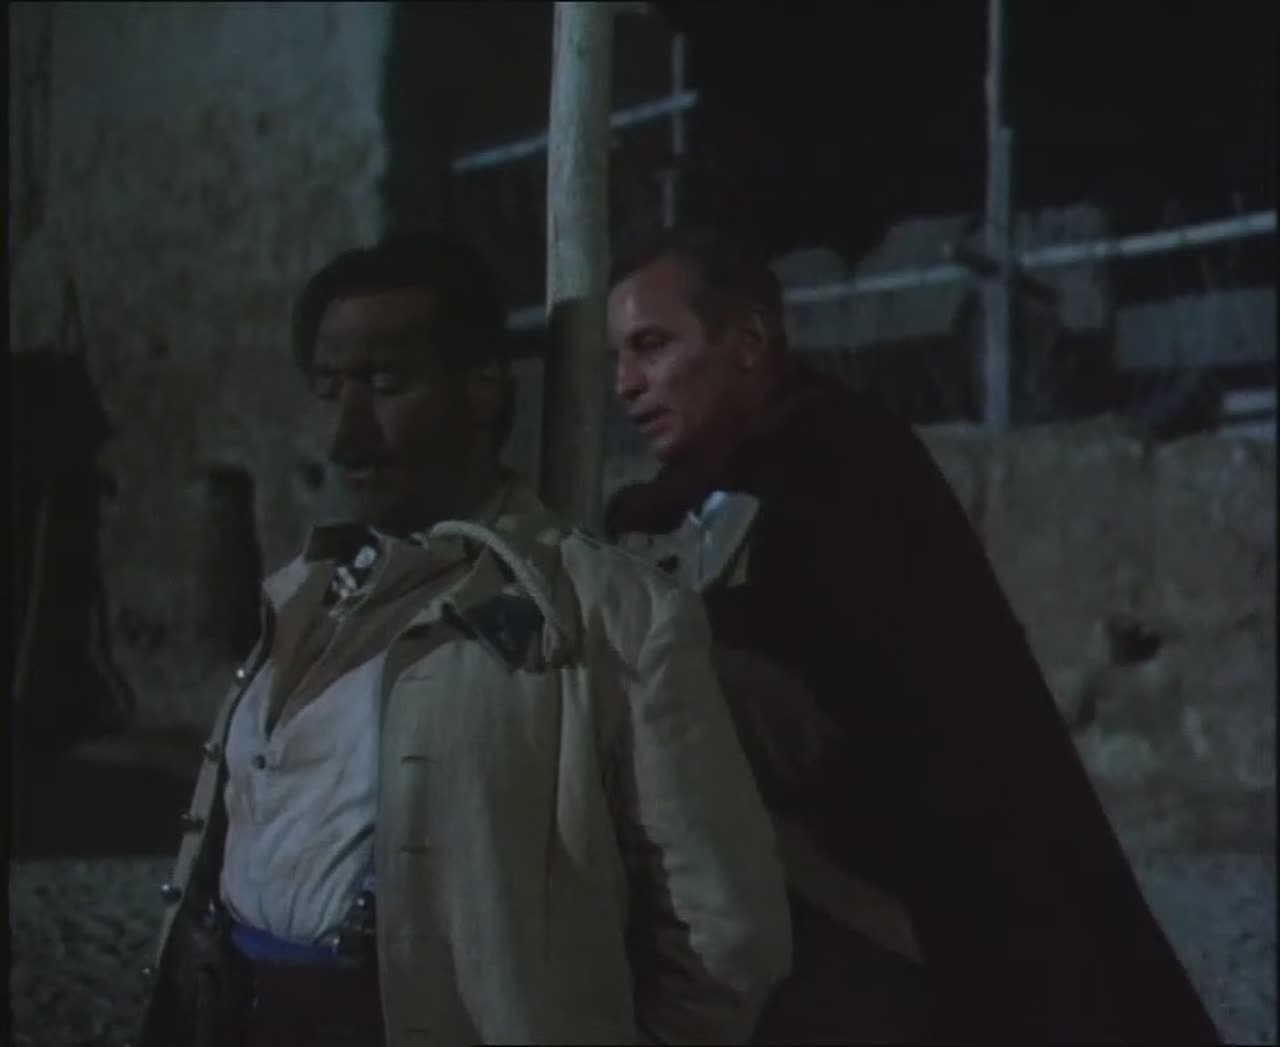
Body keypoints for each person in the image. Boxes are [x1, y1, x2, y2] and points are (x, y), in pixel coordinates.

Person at [135, 231, 791, 1047]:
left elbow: (725, 935)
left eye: (387, 383)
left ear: (481, 387)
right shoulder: (308, 598)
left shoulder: (609, 614)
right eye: (330, 389)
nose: (347, 433)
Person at [604, 224, 1221, 1044]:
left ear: (746, 342)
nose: (626, 383)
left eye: (652, 346)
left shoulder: (843, 460)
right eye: (619, 356)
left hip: (919, 894)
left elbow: (865, 705)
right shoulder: (681, 496)